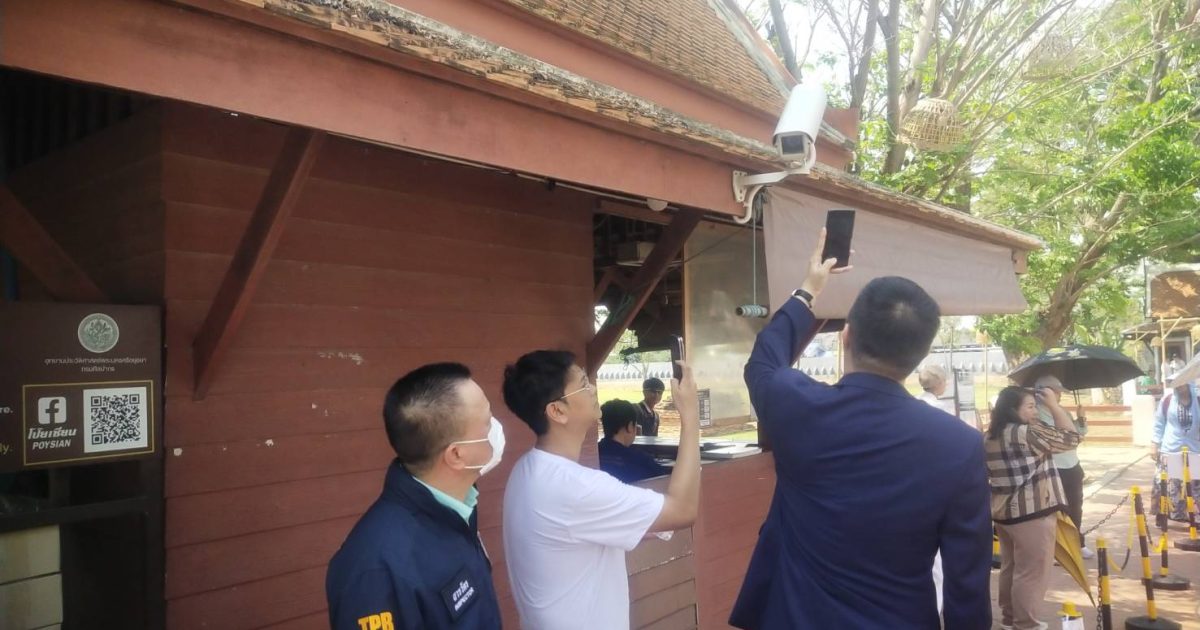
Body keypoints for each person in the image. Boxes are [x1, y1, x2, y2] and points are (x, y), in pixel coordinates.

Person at [729, 230, 993, 629]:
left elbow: (764, 362)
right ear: (921, 353)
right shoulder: (959, 445)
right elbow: (967, 583)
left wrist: (808, 290)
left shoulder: (797, 406)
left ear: (846, 336)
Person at [502, 351, 700, 630]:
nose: (593, 388)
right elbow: (683, 510)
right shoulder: (577, 488)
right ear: (557, 411)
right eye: (584, 384)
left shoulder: (526, 469)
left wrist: (631, 525)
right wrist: (690, 417)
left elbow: (568, 536)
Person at [326, 363, 503, 629]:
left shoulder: (456, 509)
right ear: (456, 454)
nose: (496, 429)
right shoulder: (375, 570)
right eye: (488, 423)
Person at [986, 385, 1081, 630]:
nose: (1035, 411)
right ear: (1012, 410)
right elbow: (1072, 438)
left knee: (1011, 567)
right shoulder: (1027, 433)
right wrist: (1054, 405)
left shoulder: (989, 437)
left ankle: (1010, 618)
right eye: (1030, 406)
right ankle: (1026, 623)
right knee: (1031, 572)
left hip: (1004, 514)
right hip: (1033, 513)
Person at [1032, 375, 1091, 558]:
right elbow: (1057, 439)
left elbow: (1077, 436)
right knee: (1054, 510)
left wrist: (1081, 418)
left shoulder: (1061, 410)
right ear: (1045, 392)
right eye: (1057, 392)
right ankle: (1057, 549)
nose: (1059, 396)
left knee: (1075, 505)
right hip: (1051, 468)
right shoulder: (1035, 414)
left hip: (1071, 465)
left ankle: (1077, 543)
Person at [1150, 375, 1200, 521]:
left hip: (1194, 448)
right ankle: (1168, 514)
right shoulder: (1167, 400)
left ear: (1188, 383)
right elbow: (1159, 423)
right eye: (1175, 383)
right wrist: (1154, 444)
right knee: (1169, 484)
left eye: (1181, 383)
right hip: (1171, 448)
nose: (1178, 386)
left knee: (1195, 485)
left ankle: (1196, 517)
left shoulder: (1197, 400)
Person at [598, 399, 670, 484]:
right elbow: (666, 482)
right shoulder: (641, 461)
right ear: (630, 426)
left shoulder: (593, 454)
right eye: (635, 425)